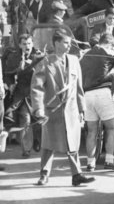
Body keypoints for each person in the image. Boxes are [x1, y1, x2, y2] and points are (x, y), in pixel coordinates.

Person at [31, 28, 94, 186]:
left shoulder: (73, 60)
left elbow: (79, 88)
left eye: (69, 43)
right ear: (56, 43)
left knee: (72, 143)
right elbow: (36, 87)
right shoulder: (45, 62)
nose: (69, 46)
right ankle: (44, 174)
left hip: (71, 110)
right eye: (66, 43)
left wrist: (81, 110)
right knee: (48, 144)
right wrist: (38, 109)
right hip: (52, 110)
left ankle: (76, 175)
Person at [80, 33, 114, 172]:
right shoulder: (108, 51)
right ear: (109, 43)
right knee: (111, 128)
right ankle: (109, 161)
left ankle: (90, 163)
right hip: (102, 93)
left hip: (87, 95)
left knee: (91, 131)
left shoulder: (85, 55)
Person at [3, 34, 44, 157]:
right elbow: (7, 74)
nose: (27, 46)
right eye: (24, 44)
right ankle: (26, 148)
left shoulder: (39, 55)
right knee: (25, 120)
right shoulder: (14, 57)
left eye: (29, 43)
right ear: (20, 45)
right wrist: (9, 84)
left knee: (39, 120)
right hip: (21, 94)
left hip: (37, 94)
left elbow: (45, 73)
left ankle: (37, 139)